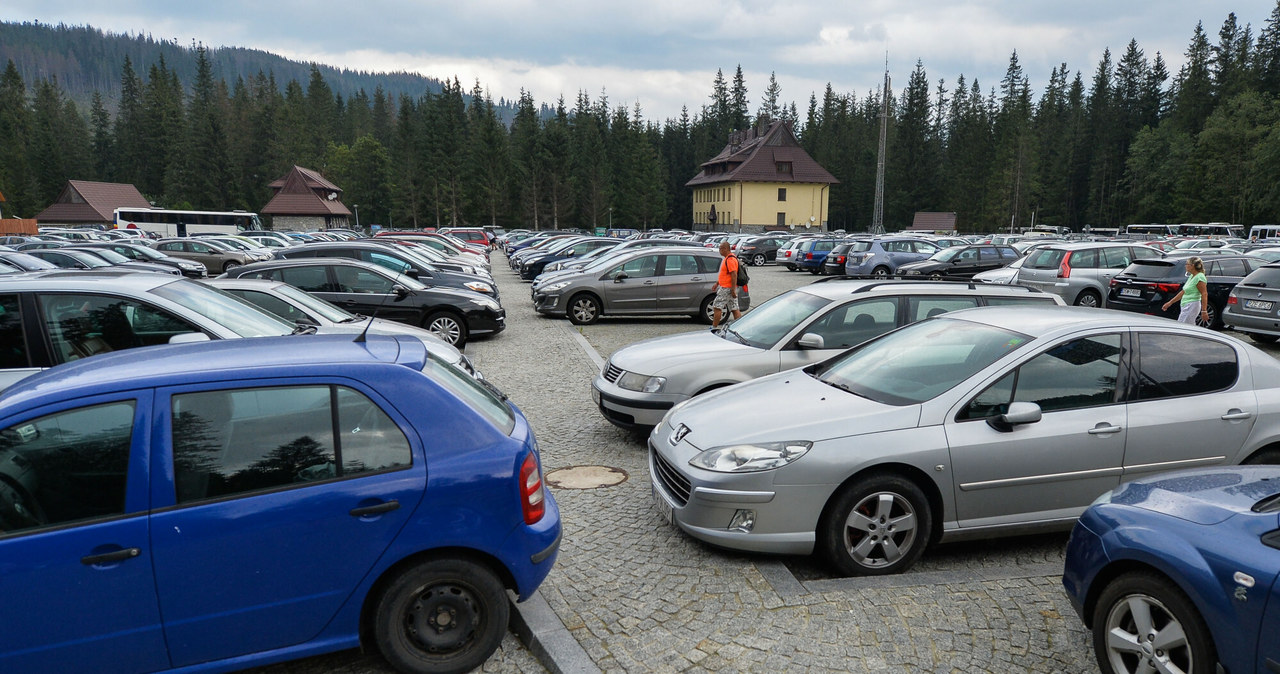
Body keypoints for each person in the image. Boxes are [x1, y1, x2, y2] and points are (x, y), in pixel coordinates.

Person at [1161, 256, 1209, 325]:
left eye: (1187, 264)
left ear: (1192, 266)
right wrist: (1170, 303)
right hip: (1185, 304)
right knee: (1186, 325)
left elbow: (1204, 293)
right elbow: (1183, 291)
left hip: (1192, 305)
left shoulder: (1200, 277)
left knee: (1183, 326)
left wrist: (1204, 311)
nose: (1185, 266)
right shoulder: (1192, 276)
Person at [712, 241, 742, 328]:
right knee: (734, 308)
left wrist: (732, 290)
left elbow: (734, 274)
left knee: (717, 307)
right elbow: (726, 274)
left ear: (725, 249)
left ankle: (714, 327)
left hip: (727, 288)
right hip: (728, 287)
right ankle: (739, 327)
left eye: (720, 249)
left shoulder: (730, 259)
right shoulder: (728, 258)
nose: (719, 251)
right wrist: (717, 283)